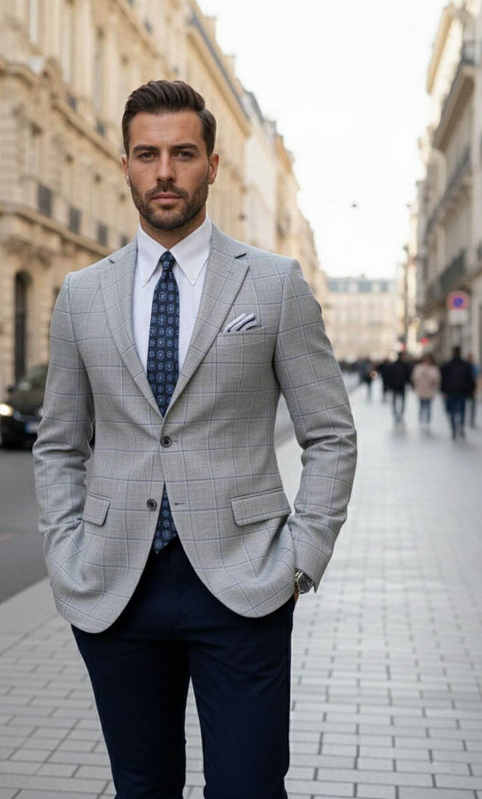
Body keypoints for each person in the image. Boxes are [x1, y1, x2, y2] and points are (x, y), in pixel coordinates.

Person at [33, 80, 357, 799]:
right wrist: (63, 549)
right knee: (141, 787)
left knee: (246, 786)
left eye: (182, 153)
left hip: (244, 583)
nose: (164, 172)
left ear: (212, 165)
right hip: (115, 585)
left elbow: (330, 434)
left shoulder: (273, 285)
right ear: (124, 164)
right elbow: (59, 443)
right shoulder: (83, 293)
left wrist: (301, 558)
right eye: (146, 155)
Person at [441, 345, 475, 439]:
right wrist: (470, 391)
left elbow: (444, 379)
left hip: (452, 391)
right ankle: (460, 427)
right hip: (461, 391)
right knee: (461, 411)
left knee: (452, 411)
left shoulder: (448, 365)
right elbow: (470, 380)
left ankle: (454, 429)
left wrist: (443, 390)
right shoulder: (465, 365)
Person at [411, 354, 441, 429]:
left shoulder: (434, 368)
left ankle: (427, 421)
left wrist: (429, 375)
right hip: (421, 389)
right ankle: (421, 420)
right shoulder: (418, 368)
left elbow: (437, 379)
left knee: (428, 406)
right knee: (421, 406)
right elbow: (414, 378)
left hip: (430, 390)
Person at [385, 351, 411, 425]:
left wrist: (388, 385)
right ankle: (399, 415)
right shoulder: (405, 365)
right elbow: (408, 376)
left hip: (396, 386)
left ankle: (397, 415)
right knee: (401, 402)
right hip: (399, 386)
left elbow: (389, 376)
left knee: (395, 402)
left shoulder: (394, 365)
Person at [466, 353, 480, 428]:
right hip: (465, 388)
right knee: (467, 404)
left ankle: (471, 420)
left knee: (472, 405)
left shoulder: (475, 367)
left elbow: (477, 377)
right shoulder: (465, 366)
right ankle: (468, 419)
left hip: (472, 388)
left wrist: (477, 388)